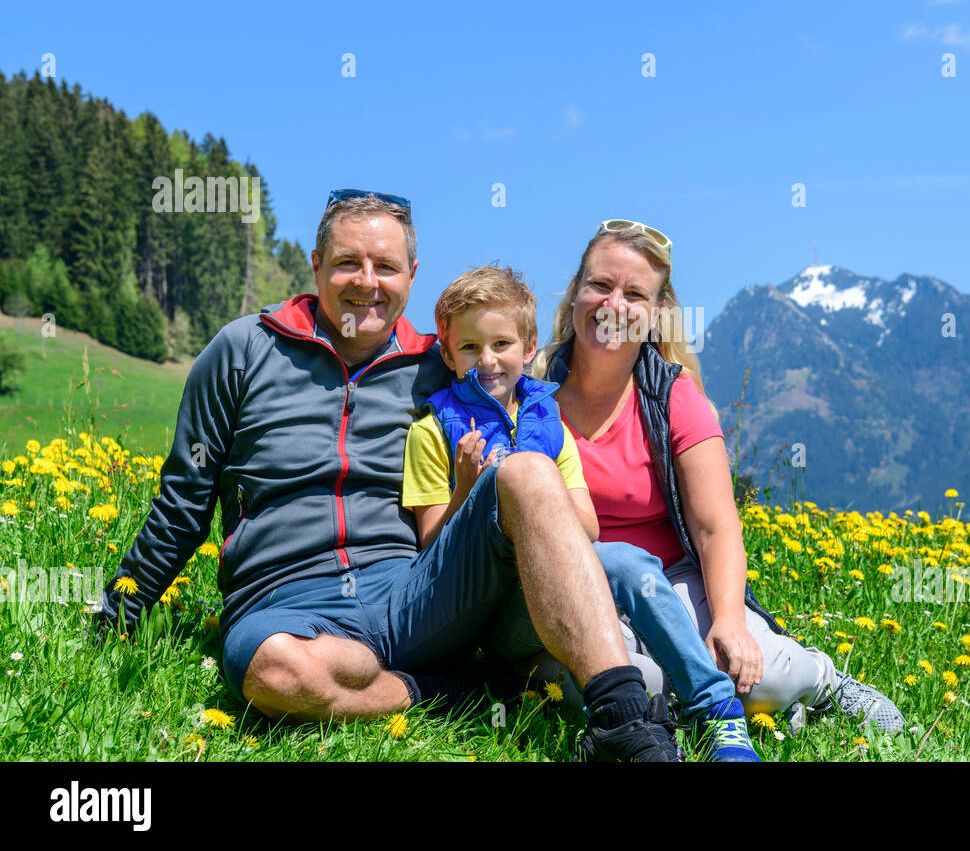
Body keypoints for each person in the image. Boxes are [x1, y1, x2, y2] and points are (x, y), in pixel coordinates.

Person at [95, 190, 681, 761]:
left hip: (411, 592)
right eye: (348, 262)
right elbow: (183, 501)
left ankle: (622, 717)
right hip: (280, 601)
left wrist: (665, 388)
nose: (367, 282)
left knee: (525, 471)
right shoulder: (242, 350)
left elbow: (531, 372)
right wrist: (119, 614)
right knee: (276, 670)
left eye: (387, 266)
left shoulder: (442, 365)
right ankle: (457, 696)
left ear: (412, 275)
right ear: (316, 265)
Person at [531, 220, 906, 734]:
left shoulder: (673, 396)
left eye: (635, 294)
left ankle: (820, 679)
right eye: (600, 285)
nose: (613, 305)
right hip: (574, 584)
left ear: (656, 315)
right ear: (575, 292)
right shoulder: (529, 388)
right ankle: (733, 715)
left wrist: (728, 619)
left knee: (756, 676)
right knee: (612, 688)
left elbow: (715, 528)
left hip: (672, 582)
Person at [400, 264, 759, 760]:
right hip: (486, 615)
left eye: (502, 345)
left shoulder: (549, 422)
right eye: (469, 348)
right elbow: (430, 549)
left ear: (529, 349)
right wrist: (467, 487)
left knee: (630, 561)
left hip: (545, 595)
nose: (487, 361)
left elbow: (587, 527)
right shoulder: (432, 432)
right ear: (448, 353)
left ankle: (717, 711)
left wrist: (536, 490)